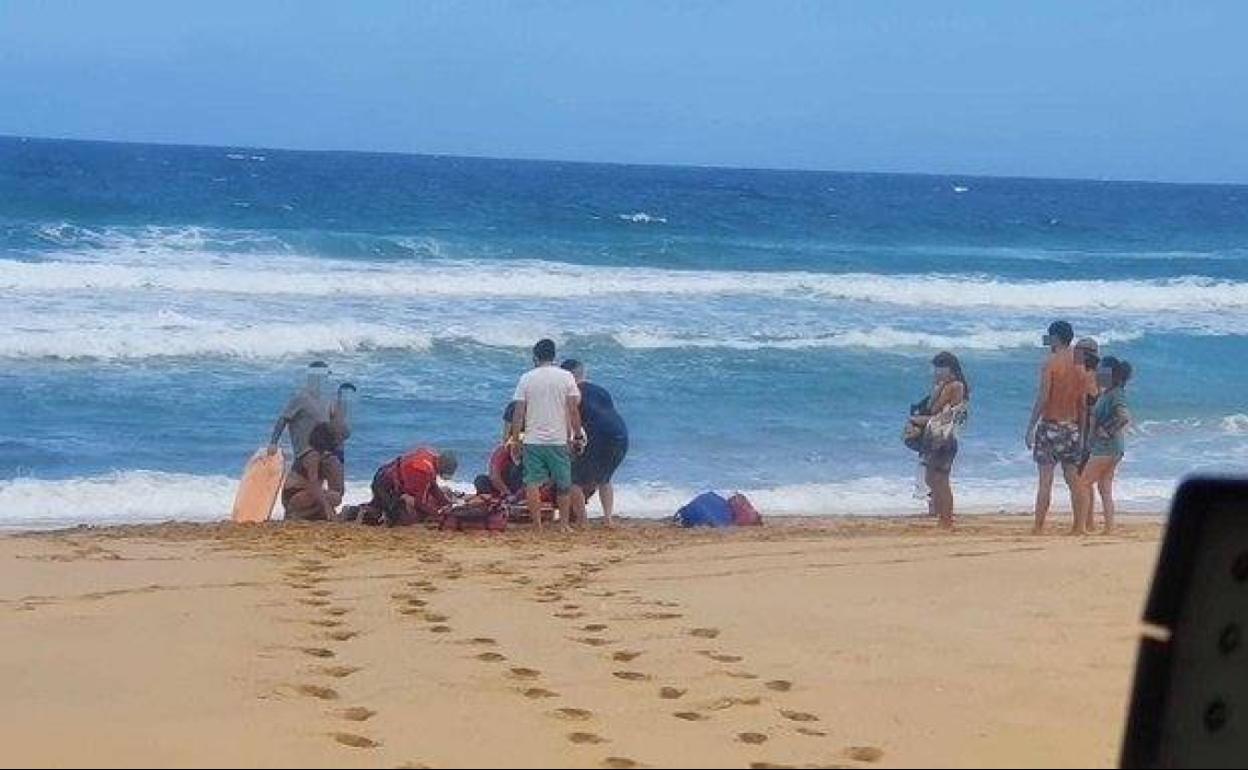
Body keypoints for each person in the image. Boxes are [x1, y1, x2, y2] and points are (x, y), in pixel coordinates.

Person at [509, 339, 583, 531]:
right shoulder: (566, 377)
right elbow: (573, 410)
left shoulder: (526, 378)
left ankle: (537, 525)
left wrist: (515, 440)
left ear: (535, 357)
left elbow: (518, 413)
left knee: (532, 483)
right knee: (563, 483)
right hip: (558, 439)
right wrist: (577, 435)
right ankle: (564, 525)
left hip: (533, 440)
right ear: (554, 355)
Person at [1025, 321, 1089, 534]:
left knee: (1045, 480)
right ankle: (1079, 526)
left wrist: (1031, 426)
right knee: (1074, 480)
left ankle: (1038, 526)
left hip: (1050, 425)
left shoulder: (1050, 362)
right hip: (1072, 427)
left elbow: (1043, 397)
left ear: (1055, 338)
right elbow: (1082, 402)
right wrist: (1082, 431)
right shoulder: (1080, 363)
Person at [561, 359, 629, 527]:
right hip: (621, 434)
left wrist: (572, 440)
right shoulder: (601, 390)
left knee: (572, 479)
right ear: (583, 373)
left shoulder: (572, 393)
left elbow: (572, 417)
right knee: (604, 478)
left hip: (600, 436)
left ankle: (583, 521)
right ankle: (608, 519)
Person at [907, 352, 968, 529]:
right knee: (934, 478)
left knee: (939, 479)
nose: (937, 372)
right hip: (942, 435)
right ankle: (943, 517)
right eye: (936, 368)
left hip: (944, 437)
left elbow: (933, 408)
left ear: (951, 369)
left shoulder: (953, 386)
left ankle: (946, 519)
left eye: (941, 368)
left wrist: (939, 388)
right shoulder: (954, 385)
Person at [1073, 357, 1133, 534]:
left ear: (1111, 374)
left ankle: (1081, 527)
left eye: (1102, 371)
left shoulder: (1115, 394)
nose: (1098, 374)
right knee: (1104, 487)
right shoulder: (1109, 393)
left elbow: (1124, 416)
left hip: (1106, 447)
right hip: (1112, 447)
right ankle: (1109, 527)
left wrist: (1107, 430)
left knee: (1083, 483)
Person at [359, 447, 458, 526]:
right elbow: (420, 503)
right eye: (448, 472)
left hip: (384, 474)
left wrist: (446, 503)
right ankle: (359, 513)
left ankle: (370, 509)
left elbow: (432, 486)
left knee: (386, 506)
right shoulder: (424, 471)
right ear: (442, 466)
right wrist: (438, 513)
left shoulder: (429, 457)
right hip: (384, 485)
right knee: (396, 517)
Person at [269, 361, 332, 460]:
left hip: (323, 452)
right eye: (324, 377)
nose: (326, 380)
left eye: (327, 377)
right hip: (305, 453)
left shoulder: (325, 400)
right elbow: (283, 419)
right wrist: (273, 443)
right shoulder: (301, 398)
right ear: (314, 378)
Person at [281, 423, 344, 521]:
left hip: (304, 493)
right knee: (334, 498)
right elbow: (313, 485)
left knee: (335, 497)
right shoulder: (312, 456)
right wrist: (327, 507)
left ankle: (311, 514)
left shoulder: (321, 456)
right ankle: (297, 514)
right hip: (294, 495)